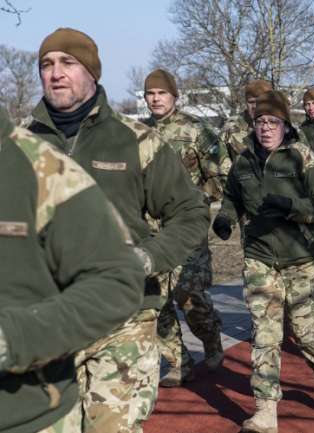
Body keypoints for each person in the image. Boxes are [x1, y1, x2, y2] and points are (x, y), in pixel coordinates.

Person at [28, 28, 210, 432]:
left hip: (123, 318)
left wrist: (146, 257)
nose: (56, 73)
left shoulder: (136, 140)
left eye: (67, 62)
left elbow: (190, 210)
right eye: (46, 64)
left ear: (92, 72)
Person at [0, 106, 144, 433]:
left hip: (25, 415)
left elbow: (117, 280)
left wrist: (12, 339)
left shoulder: (42, 166)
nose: (56, 73)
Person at [213, 90, 314, 432]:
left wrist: (292, 208)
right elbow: (231, 198)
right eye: (259, 122)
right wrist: (226, 217)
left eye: (272, 122)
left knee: (304, 329)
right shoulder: (243, 162)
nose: (265, 128)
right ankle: (266, 410)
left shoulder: (302, 158)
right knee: (264, 334)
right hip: (260, 259)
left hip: (302, 259)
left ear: (286, 125)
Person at [142, 69, 231, 386]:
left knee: (188, 296)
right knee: (157, 301)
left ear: (174, 96)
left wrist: (195, 200)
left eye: (161, 93)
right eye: (150, 93)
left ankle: (210, 336)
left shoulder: (197, 131)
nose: (155, 98)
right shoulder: (139, 134)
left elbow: (221, 176)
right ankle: (179, 362)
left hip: (186, 229)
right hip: (150, 234)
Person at [221, 79, 272, 161]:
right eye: (251, 102)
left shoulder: (281, 127)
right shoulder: (232, 126)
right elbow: (220, 162)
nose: (255, 106)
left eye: (259, 101)